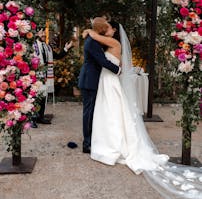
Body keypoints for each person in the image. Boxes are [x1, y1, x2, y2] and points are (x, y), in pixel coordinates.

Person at [83, 22, 202, 199]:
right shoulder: (106, 41)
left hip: (109, 82)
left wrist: (90, 31)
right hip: (106, 82)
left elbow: (97, 41)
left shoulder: (113, 43)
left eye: (112, 28)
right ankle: (100, 138)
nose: (111, 30)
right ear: (105, 30)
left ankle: (110, 142)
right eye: (109, 28)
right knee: (107, 112)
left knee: (111, 112)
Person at [78, 17, 121, 154]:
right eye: (106, 26)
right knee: (88, 112)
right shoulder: (92, 43)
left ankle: (92, 139)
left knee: (91, 112)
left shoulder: (94, 40)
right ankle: (87, 143)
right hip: (89, 80)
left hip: (91, 79)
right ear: (101, 28)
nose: (107, 28)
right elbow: (102, 61)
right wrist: (118, 70)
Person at [32, 29, 73, 127]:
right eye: (41, 32)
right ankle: (32, 118)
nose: (43, 34)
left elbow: (58, 56)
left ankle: (40, 117)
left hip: (46, 75)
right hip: (35, 75)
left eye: (44, 33)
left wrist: (66, 48)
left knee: (43, 96)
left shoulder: (47, 47)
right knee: (34, 97)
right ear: (36, 33)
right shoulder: (32, 46)